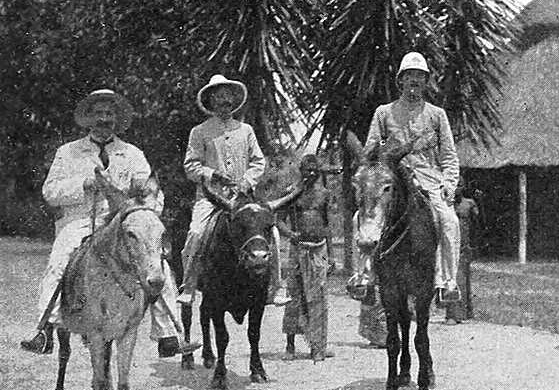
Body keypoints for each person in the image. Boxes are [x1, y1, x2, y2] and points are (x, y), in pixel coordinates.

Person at [21, 89, 196, 357]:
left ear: (117, 119)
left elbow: (151, 191)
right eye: (99, 113)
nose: (104, 119)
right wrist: (83, 185)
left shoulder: (131, 153)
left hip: (121, 223)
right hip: (81, 222)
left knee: (158, 265)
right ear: (88, 118)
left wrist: (145, 212)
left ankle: (167, 335)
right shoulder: (68, 152)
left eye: (110, 114)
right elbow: (50, 192)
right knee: (60, 260)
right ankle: (46, 329)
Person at [176, 74, 289, 307]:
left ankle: (276, 287)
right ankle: (188, 285)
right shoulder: (200, 132)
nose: (224, 101)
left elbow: (258, 161)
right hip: (211, 198)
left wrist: (246, 181)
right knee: (196, 233)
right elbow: (190, 166)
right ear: (211, 100)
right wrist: (213, 174)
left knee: (273, 233)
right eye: (219, 96)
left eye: (228, 96)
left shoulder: (245, 130)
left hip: (243, 198)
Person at [361, 52, 462, 303]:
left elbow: (449, 156)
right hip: (393, 180)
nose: (414, 80)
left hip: (428, 180)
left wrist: (449, 184)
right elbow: (370, 150)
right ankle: (363, 277)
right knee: (361, 218)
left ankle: (447, 282)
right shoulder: (384, 113)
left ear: (426, 81)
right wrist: (377, 165)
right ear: (401, 81)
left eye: (419, 76)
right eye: (409, 76)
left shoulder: (437, 115)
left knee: (449, 221)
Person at [279, 155, 332, 362]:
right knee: (294, 295)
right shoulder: (292, 193)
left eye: (314, 170)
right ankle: (290, 345)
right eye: (307, 170)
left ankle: (317, 347)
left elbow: (326, 225)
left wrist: (331, 256)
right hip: (298, 249)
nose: (311, 173)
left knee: (319, 298)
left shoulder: (324, 194)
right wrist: (290, 234)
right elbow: (279, 221)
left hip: (319, 250)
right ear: (300, 171)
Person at [445, 181, 480, 323]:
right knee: (452, 278)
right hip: (449, 245)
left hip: (464, 246)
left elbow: (478, 224)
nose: (457, 188)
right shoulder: (445, 204)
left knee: (462, 278)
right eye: (454, 185)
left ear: (463, 187)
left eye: (459, 185)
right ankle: (454, 314)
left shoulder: (469, 204)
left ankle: (462, 313)